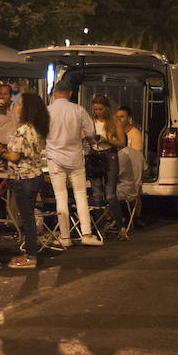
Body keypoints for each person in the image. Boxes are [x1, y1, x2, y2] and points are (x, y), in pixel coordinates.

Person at [46, 79, 103, 247]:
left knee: (60, 197)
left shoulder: (47, 111)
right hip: (75, 158)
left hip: (55, 159)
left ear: (55, 93)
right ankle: (86, 233)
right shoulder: (78, 110)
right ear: (70, 93)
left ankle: (65, 237)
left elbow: (41, 132)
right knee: (80, 195)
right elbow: (92, 132)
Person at [0, 92, 49, 268]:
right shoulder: (37, 128)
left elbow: (14, 156)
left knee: (27, 219)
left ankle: (30, 256)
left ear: (27, 108)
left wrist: (1, 153)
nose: (17, 107)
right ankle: (30, 253)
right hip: (35, 175)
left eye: (20, 105)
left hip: (25, 178)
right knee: (29, 217)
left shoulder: (24, 130)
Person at [90, 95, 128, 239]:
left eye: (100, 109)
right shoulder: (91, 121)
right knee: (97, 196)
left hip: (110, 156)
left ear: (106, 108)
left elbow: (122, 143)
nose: (98, 112)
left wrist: (107, 140)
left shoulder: (114, 121)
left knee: (110, 195)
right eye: (95, 109)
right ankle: (101, 229)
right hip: (95, 155)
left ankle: (121, 227)